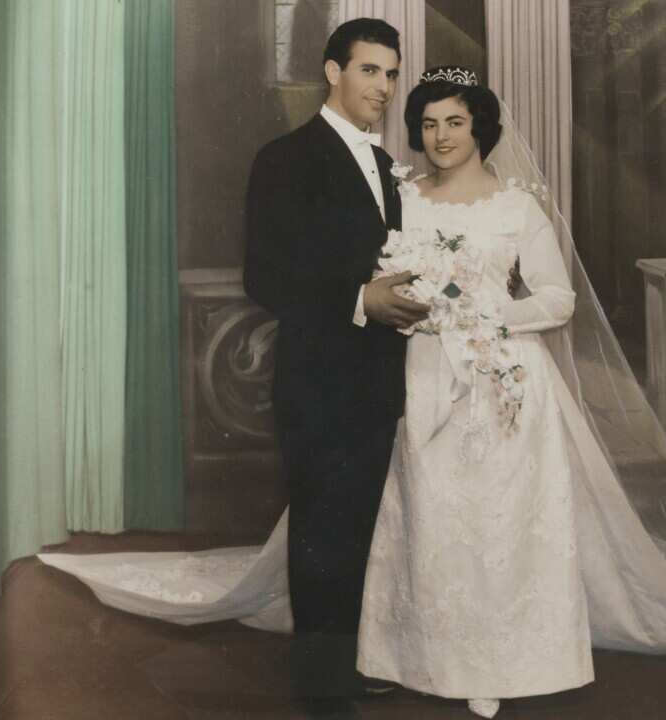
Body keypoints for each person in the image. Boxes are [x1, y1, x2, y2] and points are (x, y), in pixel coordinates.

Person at [39, 64, 666, 720]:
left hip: (503, 379)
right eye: (426, 121)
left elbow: (557, 300)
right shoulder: (401, 193)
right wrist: (416, 309)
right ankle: (408, 651)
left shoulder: (518, 207)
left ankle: (502, 660)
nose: (438, 135)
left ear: (480, 126)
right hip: (417, 370)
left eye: (453, 122)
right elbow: (362, 272)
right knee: (426, 512)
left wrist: (487, 312)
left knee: (502, 522)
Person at [241, 17, 428, 713]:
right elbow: (263, 276)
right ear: (332, 71)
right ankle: (319, 690)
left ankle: (341, 669)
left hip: (377, 381)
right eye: (369, 70)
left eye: (389, 72)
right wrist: (359, 300)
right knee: (321, 531)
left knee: (354, 532)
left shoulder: (384, 166)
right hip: (318, 382)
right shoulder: (285, 158)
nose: (383, 86)